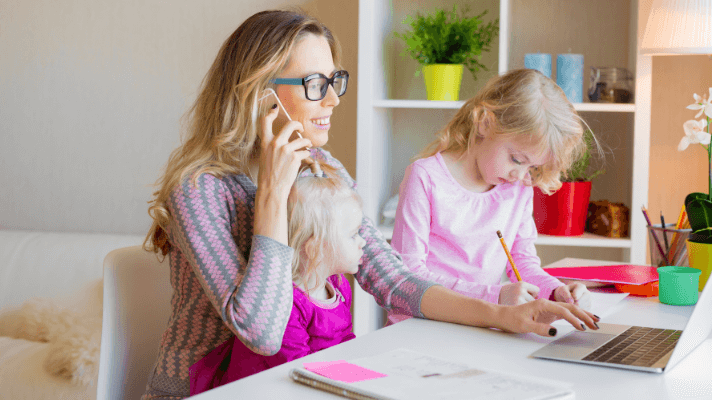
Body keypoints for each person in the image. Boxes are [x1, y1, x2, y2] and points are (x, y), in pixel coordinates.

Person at [142, 11, 598, 399]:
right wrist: (273, 196)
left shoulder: (323, 170)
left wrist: (502, 314)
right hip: (213, 390)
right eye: (315, 84)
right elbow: (261, 333)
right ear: (261, 95)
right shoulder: (200, 191)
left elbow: (394, 279)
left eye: (334, 80)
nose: (335, 99)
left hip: (291, 383)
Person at [389, 69, 593, 325]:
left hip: (480, 325)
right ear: (485, 123)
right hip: (421, 325)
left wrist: (555, 291)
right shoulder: (426, 177)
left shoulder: (519, 187)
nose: (520, 175)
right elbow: (409, 277)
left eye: (532, 167)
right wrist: (494, 296)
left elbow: (523, 263)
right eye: (517, 159)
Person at [188, 165, 362, 395]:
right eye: (353, 235)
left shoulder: (338, 286)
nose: (362, 242)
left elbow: (345, 342)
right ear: (314, 248)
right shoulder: (286, 303)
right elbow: (297, 370)